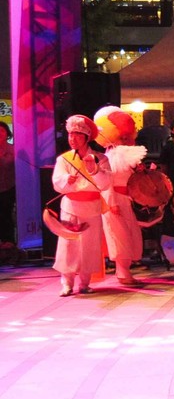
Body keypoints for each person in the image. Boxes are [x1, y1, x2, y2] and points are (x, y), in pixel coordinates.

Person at [52, 116, 113, 295]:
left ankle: (85, 283)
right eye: (70, 135)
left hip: (92, 206)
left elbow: (106, 183)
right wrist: (66, 180)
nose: (72, 139)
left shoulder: (100, 158)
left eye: (77, 135)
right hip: (70, 205)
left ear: (87, 137)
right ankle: (67, 283)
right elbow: (57, 182)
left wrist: (95, 170)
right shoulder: (64, 160)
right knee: (68, 245)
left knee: (89, 245)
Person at [91, 106, 148, 286]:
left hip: (125, 199)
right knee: (120, 236)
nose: (128, 138)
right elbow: (109, 181)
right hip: (113, 199)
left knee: (129, 234)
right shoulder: (112, 156)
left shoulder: (123, 154)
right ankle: (123, 273)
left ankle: (124, 271)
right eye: (124, 135)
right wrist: (112, 202)